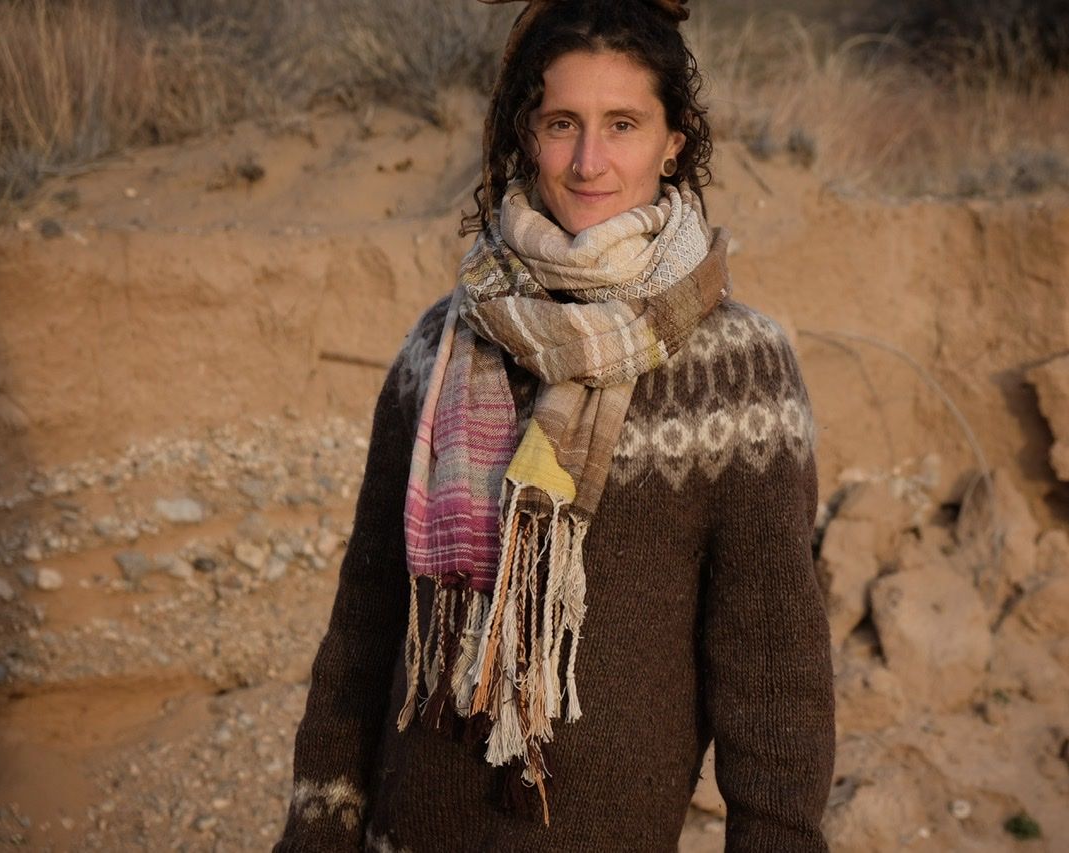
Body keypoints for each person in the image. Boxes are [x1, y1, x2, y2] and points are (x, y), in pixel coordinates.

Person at [274, 0, 835, 850]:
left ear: (674, 139)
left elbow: (772, 669)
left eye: (623, 124)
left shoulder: (741, 371)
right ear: (524, 132)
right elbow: (367, 611)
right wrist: (320, 820)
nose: (588, 160)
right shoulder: (444, 340)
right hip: (417, 825)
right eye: (561, 122)